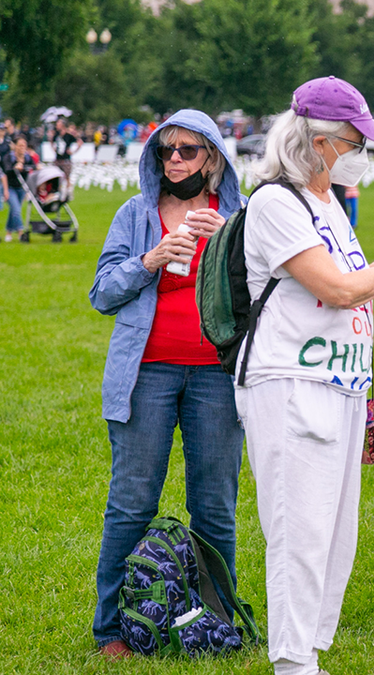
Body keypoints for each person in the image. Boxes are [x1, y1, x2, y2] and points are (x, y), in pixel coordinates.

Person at [238, 76, 374, 675]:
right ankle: (292, 661)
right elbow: (333, 288)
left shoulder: (327, 202)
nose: (362, 150)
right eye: (355, 139)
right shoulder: (277, 201)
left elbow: (351, 276)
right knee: (298, 529)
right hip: (291, 383)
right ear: (319, 140)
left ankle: (309, 651)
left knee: (334, 532)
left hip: (341, 384)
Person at [88, 110, 245, 659]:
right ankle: (113, 629)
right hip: (145, 373)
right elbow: (102, 292)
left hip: (218, 378)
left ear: (214, 159)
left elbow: (269, 291)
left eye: (187, 151)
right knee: (131, 503)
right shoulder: (136, 214)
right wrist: (152, 258)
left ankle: (218, 622)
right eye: (165, 151)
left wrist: (229, 243)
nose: (174, 159)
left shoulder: (240, 216)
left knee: (215, 506)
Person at [2, 136, 34, 242]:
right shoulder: (8, 157)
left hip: (21, 188)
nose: (22, 147)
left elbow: (33, 166)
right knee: (16, 210)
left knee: (14, 211)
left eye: (24, 145)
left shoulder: (27, 157)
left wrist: (30, 166)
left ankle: (8, 232)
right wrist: (15, 167)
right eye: (20, 145)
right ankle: (21, 232)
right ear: (15, 146)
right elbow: (6, 171)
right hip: (9, 187)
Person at [53, 119, 79, 187]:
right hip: (58, 159)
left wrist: (73, 151)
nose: (56, 126)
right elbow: (51, 141)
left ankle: (67, 193)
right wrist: (54, 149)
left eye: (58, 124)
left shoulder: (68, 136)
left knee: (67, 178)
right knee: (56, 178)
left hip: (66, 160)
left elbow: (79, 142)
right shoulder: (57, 135)